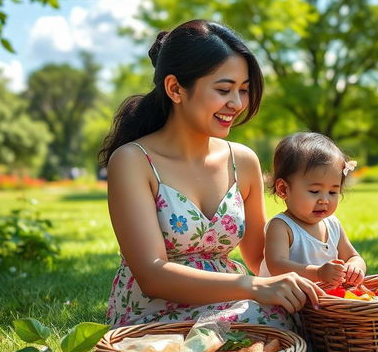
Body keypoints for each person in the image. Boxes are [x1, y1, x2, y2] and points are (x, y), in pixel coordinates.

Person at [99, 19, 324, 329]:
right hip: (155, 316)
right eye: (224, 89)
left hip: (232, 307)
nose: (237, 103)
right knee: (262, 325)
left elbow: (261, 261)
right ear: (175, 89)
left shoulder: (242, 161)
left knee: (303, 317)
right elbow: (152, 275)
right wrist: (251, 287)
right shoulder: (134, 161)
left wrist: (319, 269)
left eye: (243, 90)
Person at [260, 132, 367, 290]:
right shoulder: (282, 226)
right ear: (283, 189)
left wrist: (355, 267)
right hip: (282, 299)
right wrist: (318, 273)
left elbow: (352, 256)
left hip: (321, 304)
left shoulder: (332, 224)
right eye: (315, 191)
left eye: (332, 192)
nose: (324, 200)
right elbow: (277, 266)